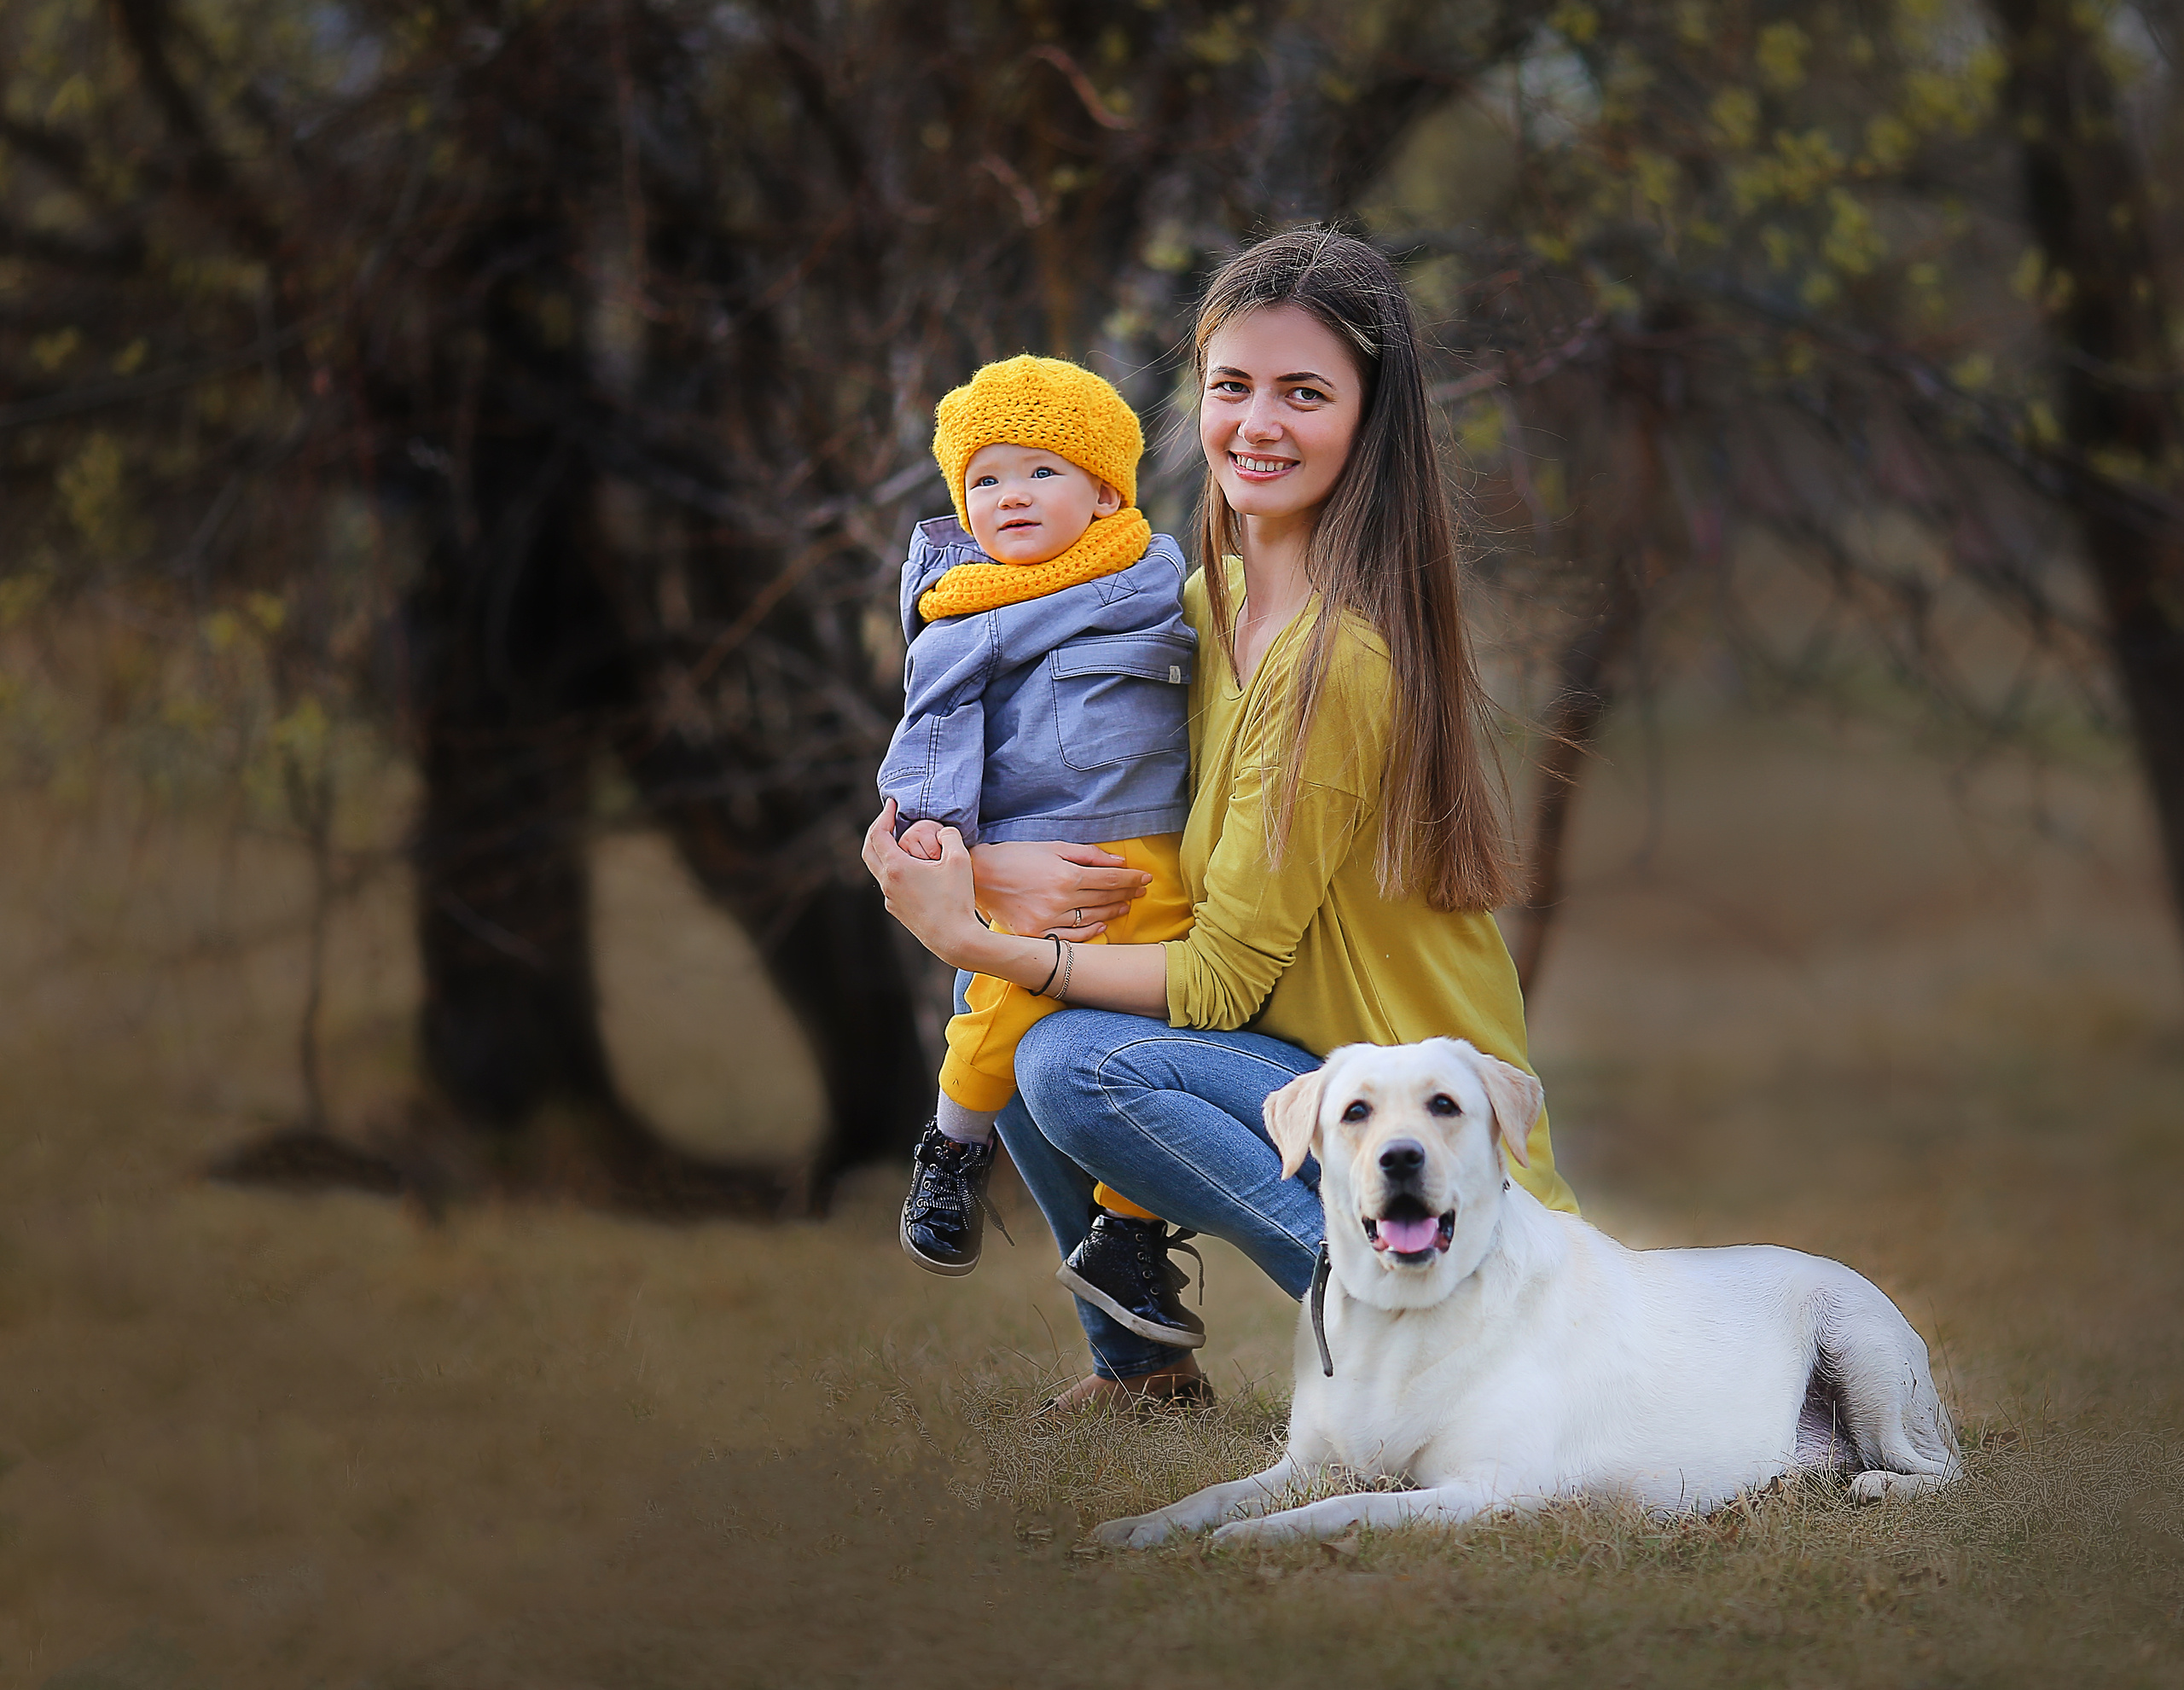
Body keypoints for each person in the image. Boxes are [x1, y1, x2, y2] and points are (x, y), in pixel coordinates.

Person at [864, 228, 1580, 1413]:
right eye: (1232, 385)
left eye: (1306, 393)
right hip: (1294, 1060)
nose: (1258, 423)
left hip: (1420, 1129)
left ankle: (1454, 1330)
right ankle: (1141, 1372)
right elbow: (1033, 784)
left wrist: (976, 932)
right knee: (1006, 1005)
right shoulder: (1204, 606)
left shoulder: (1337, 661)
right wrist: (979, 869)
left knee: (1066, 1056)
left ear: (1370, 421)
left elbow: (1218, 980)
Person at [881, 354, 1212, 1351]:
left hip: (1158, 855)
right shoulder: (972, 614)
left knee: (1156, 1020)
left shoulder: (1157, 574)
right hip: (1037, 852)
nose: (1009, 496)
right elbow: (933, 735)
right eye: (985, 479)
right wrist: (947, 846)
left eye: (1040, 472)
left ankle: (1130, 1228)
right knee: (1002, 1006)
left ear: (1106, 488)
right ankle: (951, 1149)